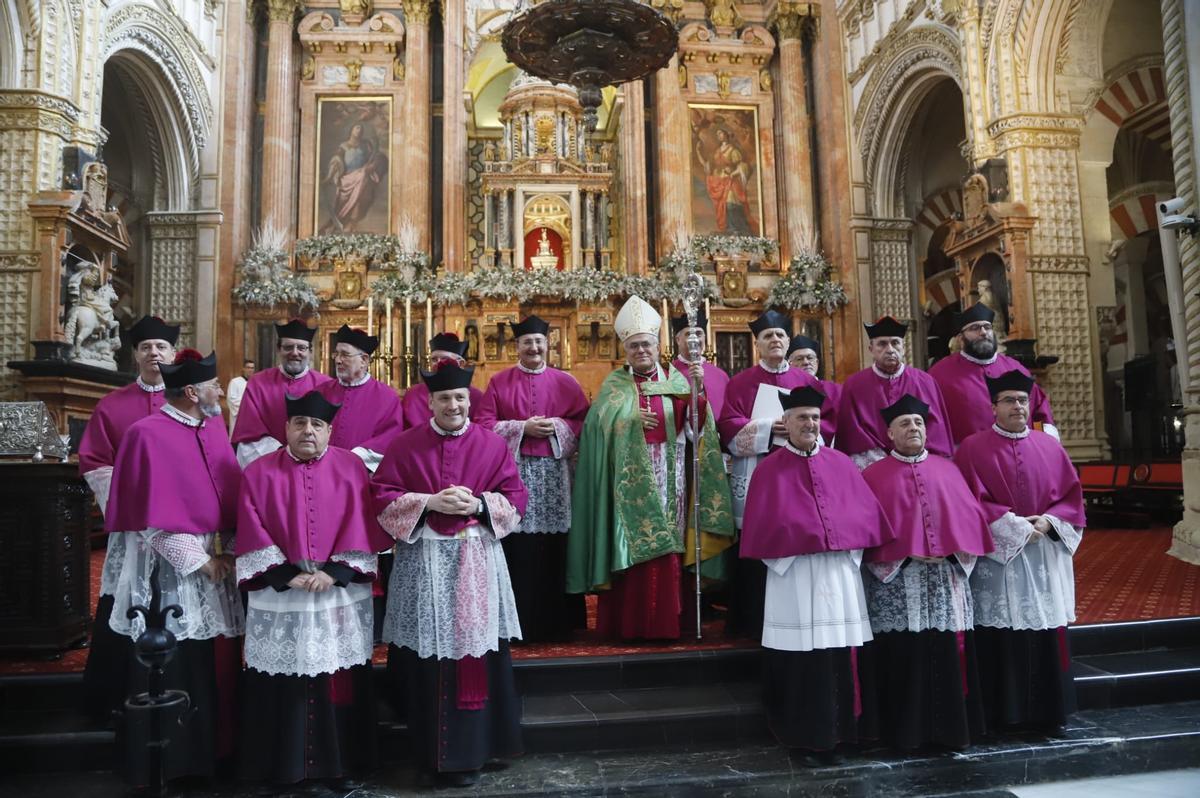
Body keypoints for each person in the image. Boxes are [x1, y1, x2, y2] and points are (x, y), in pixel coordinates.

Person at [372, 363, 527, 787]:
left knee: (476, 654)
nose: (453, 405)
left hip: (474, 559)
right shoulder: (405, 445)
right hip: (424, 563)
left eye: (460, 398)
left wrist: (478, 505)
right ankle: (430, 754)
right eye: (445, 398)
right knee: (427, 658)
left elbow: (515, 496)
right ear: (430, 402)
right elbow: (382, 496)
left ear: (468, 400)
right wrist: (429, 502)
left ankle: (474, 752)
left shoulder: (491, 445)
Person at [235, 390, 391, 789]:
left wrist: (335, 571)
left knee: (336, 678)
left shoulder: (353, 467)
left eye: (317, 425)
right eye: (300, 423)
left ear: (329, 431)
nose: (308, 431)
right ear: (286, 428)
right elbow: (251, 525)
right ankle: (282, 768)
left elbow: (364, 521)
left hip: (335, 592)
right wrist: (284, 574)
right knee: (282, 682)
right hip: (281, 593)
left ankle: (339, 767)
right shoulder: (258, 472)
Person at [102, 349, 244, 783]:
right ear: (190, 391)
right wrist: (200, 562)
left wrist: (232, 552)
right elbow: (145, 515)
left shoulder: (212, 426)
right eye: (213, 385)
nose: (220, 391)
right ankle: (172, 765)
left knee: (211, 663)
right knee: (175, 659)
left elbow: (230, 494)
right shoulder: (147, 434)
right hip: (168, 574)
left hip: (213, 565)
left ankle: (214, 755)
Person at [739, 386, 893, 764]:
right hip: (794, 576)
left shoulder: (841, 463)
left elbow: (865, 516)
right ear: (786, 424)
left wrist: (843, 541)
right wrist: (801, 539)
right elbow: (762, 528)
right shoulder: (768, 470)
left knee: (842, 653)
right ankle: (806, 738)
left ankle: (847, 732)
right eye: (801, 418)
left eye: (814, 418)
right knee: (803, 658)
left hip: (840, 574)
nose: (809, 424)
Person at [568, 295, 734, 641]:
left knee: (672, 541)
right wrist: (627, 420)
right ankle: (632, 623)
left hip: (672, 477)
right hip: (630, 485)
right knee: (635, 545)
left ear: (658, 345)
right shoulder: (615, 386)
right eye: (634, 346)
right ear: (625, 349)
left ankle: (672, 621)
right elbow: (597, 430)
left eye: (646, 344)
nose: (641, 350)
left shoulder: (678, 381)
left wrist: (697, 396)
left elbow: (697, 433)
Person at [954, 370, 1086, 734]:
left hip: (1043, 553)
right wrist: (1013, 527)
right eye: (1009, 400)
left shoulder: (1050, 447)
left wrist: (1047, 523)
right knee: (1003, 634)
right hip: (1001, 561)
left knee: (1045, 630)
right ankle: (1005, 715)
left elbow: (1071, 498)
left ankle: (1049, 714)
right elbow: (968, 502)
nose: (1017, 406)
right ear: (992, 406)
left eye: (1023, 400)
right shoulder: (971, 448)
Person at [859, 394, 994, 751]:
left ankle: (951, 732)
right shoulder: (872, 476)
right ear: (889, 433)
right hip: (899, 582)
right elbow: (867, 533)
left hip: (945, 579)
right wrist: (905, 556)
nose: (913, 428)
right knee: (905, 656)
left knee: (948, 654)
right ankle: (905, 734)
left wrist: (953, 553)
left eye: (918, 423)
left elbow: (970, 520)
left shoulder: (948, 470)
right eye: (905, 423)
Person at [80, 314, 179, 718]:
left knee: (176, 604)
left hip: (179, 529)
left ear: (173, 353)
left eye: (161, 346)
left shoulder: (189, 403)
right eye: (146, 347)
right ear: (134, 354)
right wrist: (130, 505)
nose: (154, 353)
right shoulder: (112, 405)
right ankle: (114, 699)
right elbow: (95, 462)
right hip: (134, 529)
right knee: (125, 601)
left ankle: (175, 690)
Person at [474, 315, 590, 641]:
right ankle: (518, 620)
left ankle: (558, 623)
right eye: (528, 342)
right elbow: (483, 426)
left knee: (555, 547)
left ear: (547, 344)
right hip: (517, 472)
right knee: (519, 545)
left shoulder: (566, 382)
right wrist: (522, 427)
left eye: (539, 342)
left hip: (555, 475)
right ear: (518, 346)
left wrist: (556, 426)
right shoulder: (499, 382)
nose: (534, 347)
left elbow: (583, 422)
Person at [717, 310, 819, 635]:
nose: (775, 340)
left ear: (788, 341)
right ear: (757, 344)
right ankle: (751, 620)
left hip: (799, 471)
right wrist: (766, 427)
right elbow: (727, 426)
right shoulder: (740, 382)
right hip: (759, 470)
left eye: (780, 336)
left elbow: (826, 422)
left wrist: (802, 428)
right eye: (768, 337)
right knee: (757, 541)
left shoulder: (806, 382)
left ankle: (800, 615)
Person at [928, 303, 1057, 444]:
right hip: (967, 458)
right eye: (975, 328)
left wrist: (1048, 445)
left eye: (987, 327)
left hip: (1018, 454)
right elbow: (931, 421)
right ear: (960, 338)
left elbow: (1040, 409)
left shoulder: (1016, 369)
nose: (983, 332)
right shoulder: (940, 374)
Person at [835, 316, 953, 469]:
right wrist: (886, 464)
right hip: (874, 467)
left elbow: (937, 431)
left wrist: (915, 456)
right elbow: (852, 435)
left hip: (921, 464)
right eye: (882, 344)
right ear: (871, 349)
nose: (890, 349)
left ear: (903, 348)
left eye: (895, 343)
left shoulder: (925, 382)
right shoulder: (854, 385)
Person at [232, 319, 332, 468]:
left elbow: (331, 433)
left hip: (316, 468)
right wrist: (285, 457)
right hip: (271, 468)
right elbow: (249, 435)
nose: (295, 353)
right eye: (288, 347)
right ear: (279, 350)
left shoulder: (326, 385)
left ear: (310, 352)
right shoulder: (258, 383)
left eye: (301, 348)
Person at [318, 324, 406, 472]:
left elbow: (390, 437)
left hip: (362, 474)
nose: (338, 360)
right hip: (321, 471)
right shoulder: (321, 392)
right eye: (336, 354)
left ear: (364, 360)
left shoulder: (387, 397)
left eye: (345, 355)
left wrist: (350, 458)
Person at [400, 332, 485, 428]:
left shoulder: (476, 396)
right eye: (434, 359)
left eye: (445, 358)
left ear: (461, 363)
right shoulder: (413, 395)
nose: (438, 364)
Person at [671, 310, 730, 421]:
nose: (695, 339)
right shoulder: (667, 372)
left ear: (704, 338)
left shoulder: (721, 376)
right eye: (689, 334)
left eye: (699, 334)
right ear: (678, 340)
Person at [787, 334, 841, 444]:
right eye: (799, 359)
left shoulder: (834, 389)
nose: (806, 362)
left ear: (817, 362)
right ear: (790, 364)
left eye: (810, 358)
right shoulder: (784, 387)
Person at [225, 358, 255, 437]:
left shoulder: (255, 382)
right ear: (243, 369)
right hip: (239, 417)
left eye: (252, 368)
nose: (250, 370)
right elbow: (232, 400)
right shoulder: (235, 382)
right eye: (248, 367)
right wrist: (249, 404)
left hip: (253, 418)